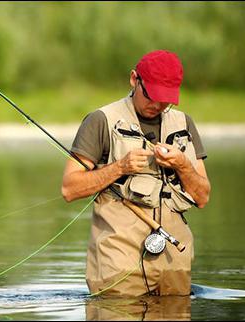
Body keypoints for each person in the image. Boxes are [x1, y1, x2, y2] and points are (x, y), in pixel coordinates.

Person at [61, 49, 211, 297]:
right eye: (151, 96)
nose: (157, 105)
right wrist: (120, 167)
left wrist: (183, 164)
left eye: (166, 99)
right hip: (117, 266)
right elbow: (69, 189)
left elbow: (203, 197)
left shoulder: (185, 124)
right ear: (134, 79)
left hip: (175, 264)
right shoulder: (100, 121)